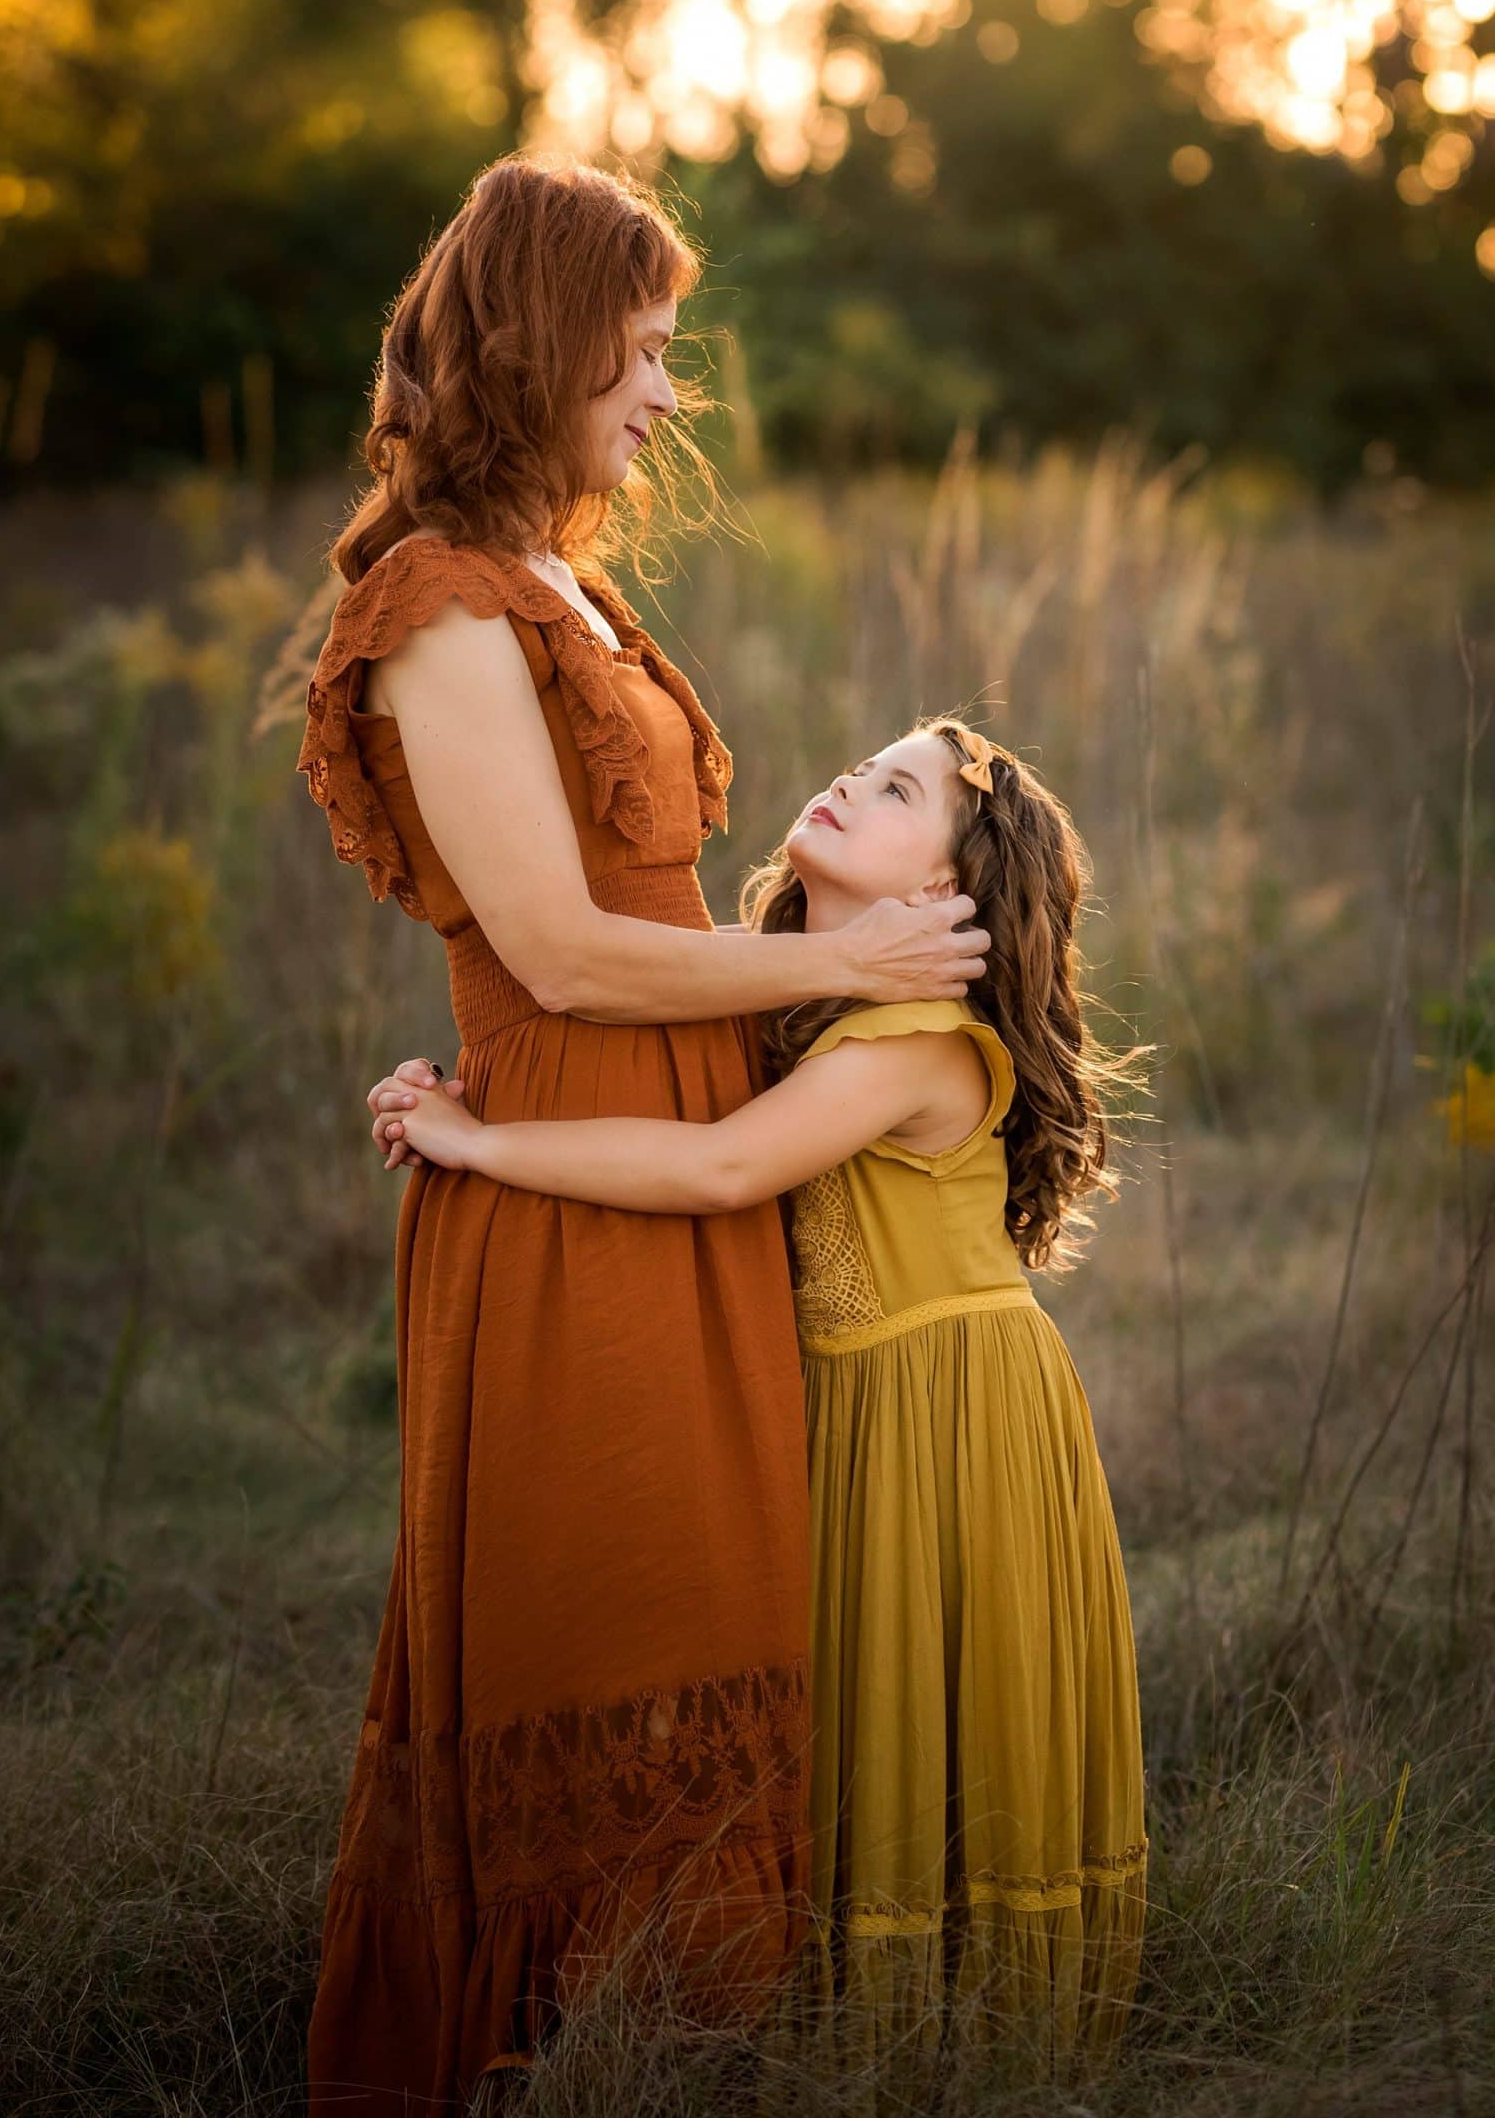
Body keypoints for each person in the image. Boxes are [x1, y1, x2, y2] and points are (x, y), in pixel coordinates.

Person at [295, 154, 990, 2114]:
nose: (670, 397)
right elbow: (565, 955)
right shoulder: (436, 608)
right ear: (547, 339)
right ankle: (544, 2060)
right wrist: (840, 984)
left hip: (682, 1153)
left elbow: (661, 916)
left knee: (719, 1614)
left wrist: (860, 966)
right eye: (650, 350)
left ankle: (687, 2056)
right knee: (602, 1626)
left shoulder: (567, 578)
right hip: (575, 1173)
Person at [366, 716, 1148, 2085]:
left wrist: (483, 1145)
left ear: (943, 899)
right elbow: (603, 1005)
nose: (849, 780)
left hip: (949, 1412)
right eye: (862, 762)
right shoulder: (794, 995)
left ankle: (963, 2050)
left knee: (931, 1700)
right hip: (844, 1413)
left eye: (896, 787)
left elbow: (721, 1168)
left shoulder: (913, 1039)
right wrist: (461, 1083)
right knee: (854, 1701)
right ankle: (839, 2023)